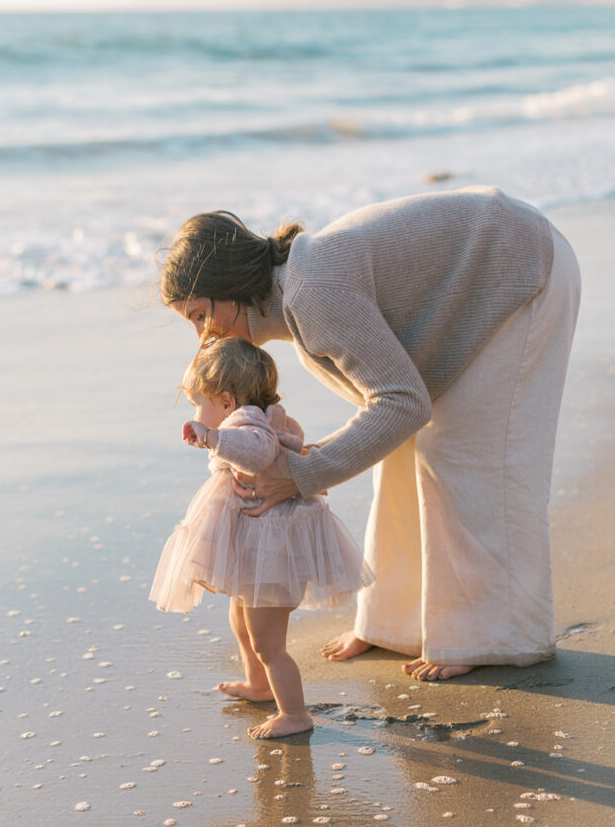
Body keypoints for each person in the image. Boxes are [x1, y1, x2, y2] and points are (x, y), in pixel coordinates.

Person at [159, 186, 581, 683]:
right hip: (483, 269)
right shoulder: (297, 306)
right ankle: (393, 621)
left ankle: (492, 634)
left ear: (229, 286)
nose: (204, 336)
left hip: (519, 263)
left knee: (464, 452)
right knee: (398, 452)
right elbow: (388, 409)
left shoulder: (309, 292)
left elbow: (402, 402)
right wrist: (305, 459)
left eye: (201, 315)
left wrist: (301, 473)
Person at [149, 336, 373, 738]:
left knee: (269, 643)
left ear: (226, 401)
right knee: (240, 620)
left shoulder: (247, 425)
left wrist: (212, 437)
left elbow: (256, 452)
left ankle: (294, 714)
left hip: (271, 551)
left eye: (199, 403)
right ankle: (258, 684)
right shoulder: (256, 417)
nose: (197, 412)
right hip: (258, 546)